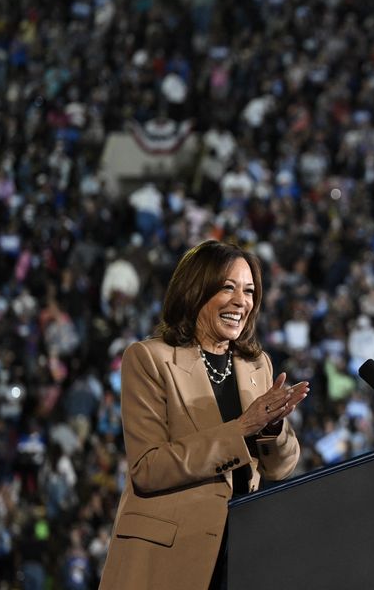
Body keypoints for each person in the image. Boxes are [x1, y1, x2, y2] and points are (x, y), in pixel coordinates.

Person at [98, 240, 310, 590]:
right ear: (196, 290)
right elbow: (148, 469)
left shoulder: (257, 364)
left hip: (241, 553)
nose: (241, 301)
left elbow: (279, 467)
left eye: (249, 291)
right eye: (228, 287)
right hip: (169, 558)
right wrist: (241, 430)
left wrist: (273, 428)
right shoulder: (149, 359)